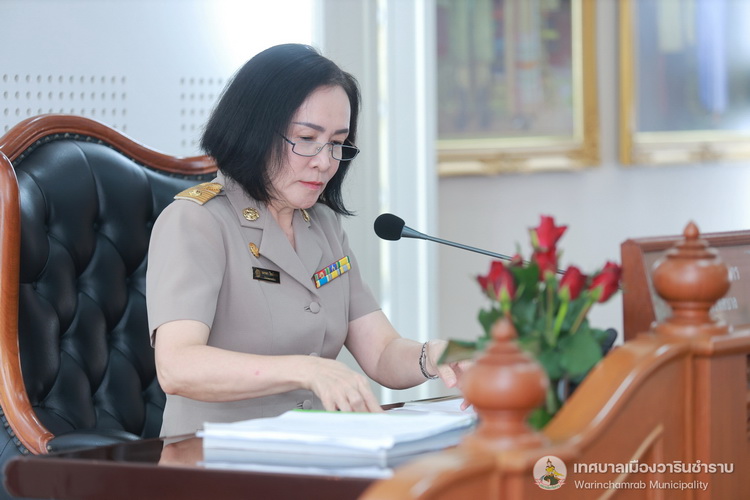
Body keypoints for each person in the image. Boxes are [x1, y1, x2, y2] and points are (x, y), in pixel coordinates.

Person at [146, 43, 463, 437]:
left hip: (316, 450)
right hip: (213, 456)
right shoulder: (196, 221)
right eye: (307, 138)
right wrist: (307, 369)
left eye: (337, 143)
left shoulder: (323, 225)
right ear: (255, 132)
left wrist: (434, 356)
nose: (325, 162)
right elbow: (177, 366)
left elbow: (382, 353)